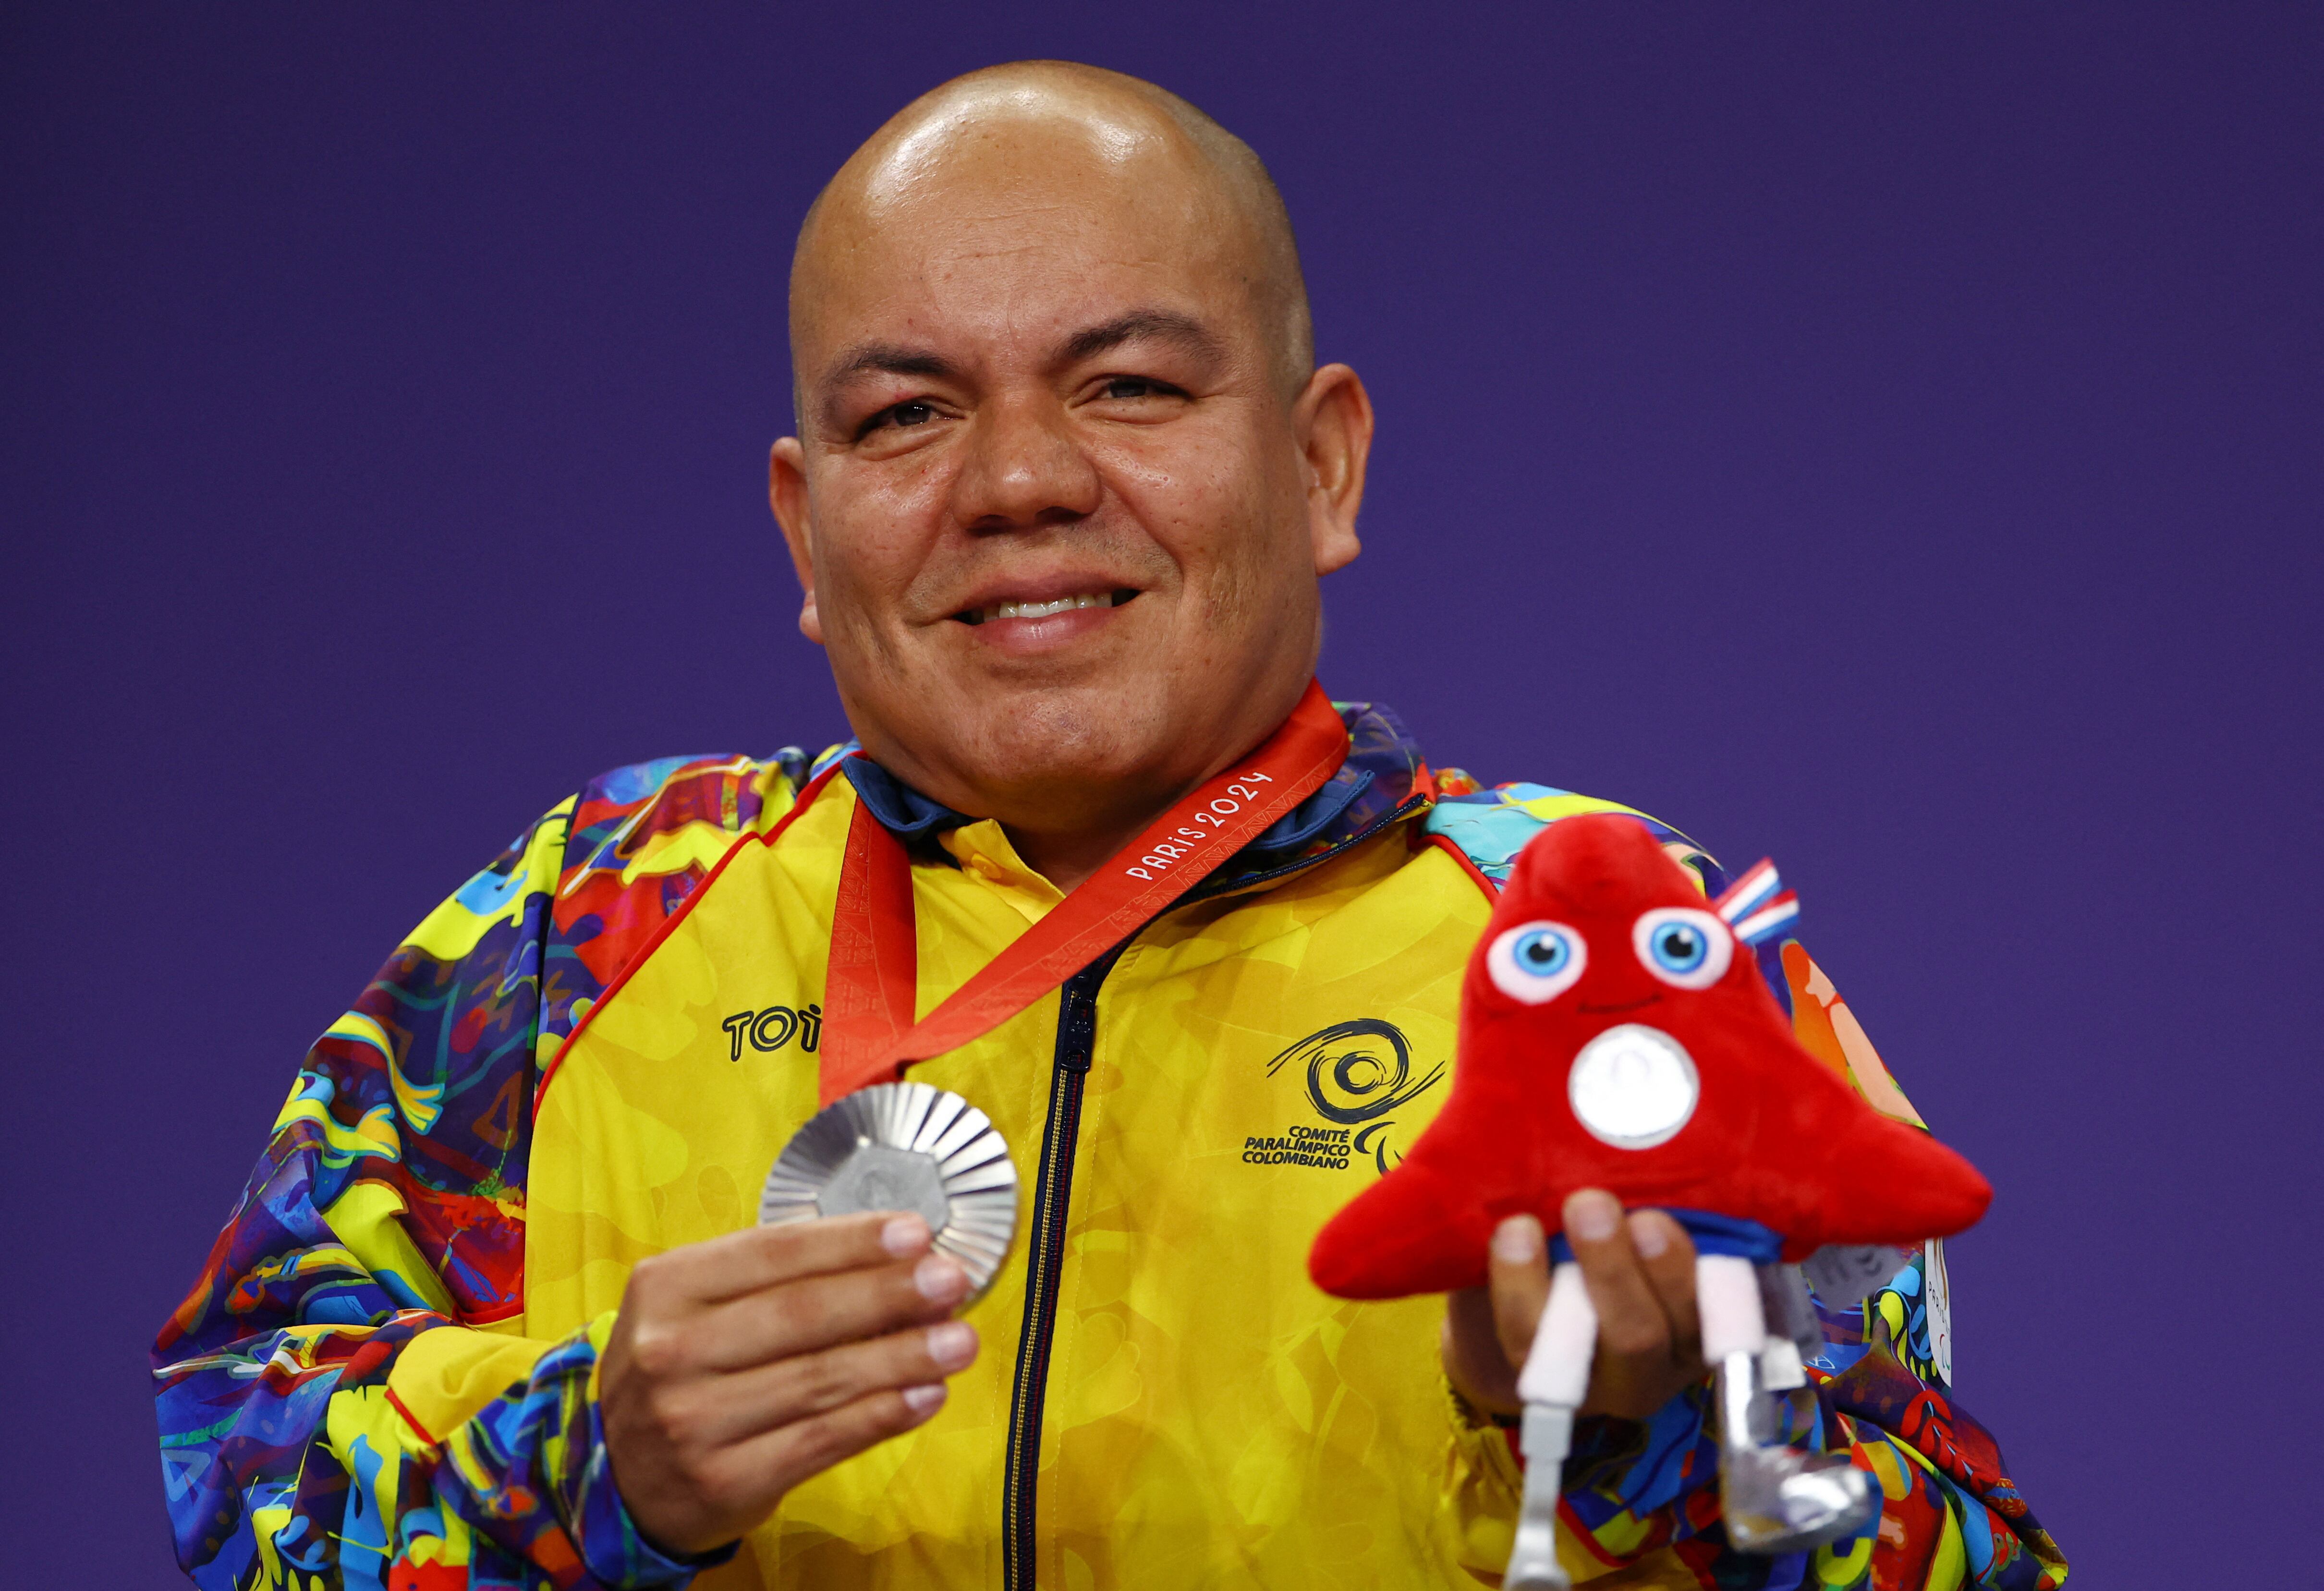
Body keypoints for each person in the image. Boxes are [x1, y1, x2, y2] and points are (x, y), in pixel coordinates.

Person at [153, 61, 2067, 1591]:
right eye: (906, 417)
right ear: (801, 531)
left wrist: (1640, 1432)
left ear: (1320, 462)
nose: (1016, 481)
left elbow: (1961, 1557)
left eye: (1128, 386)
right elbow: (230, 1460)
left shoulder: (1601, 942)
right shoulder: (582, 923)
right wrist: (591, 1458)